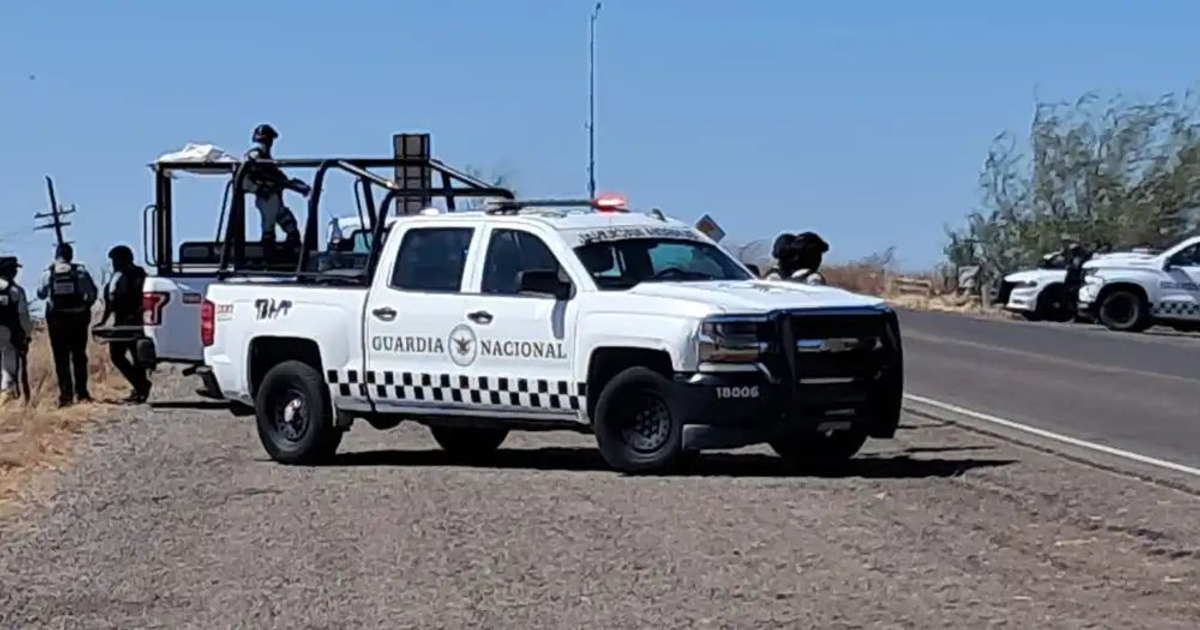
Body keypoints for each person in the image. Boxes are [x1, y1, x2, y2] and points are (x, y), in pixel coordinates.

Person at [37, 243, 98, 407]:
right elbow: (92, 293)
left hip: (57, 319)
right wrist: (85, 307)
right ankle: (82, 393)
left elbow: (41, 294)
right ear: (71, 256)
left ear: (56, 256)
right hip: (78, 318)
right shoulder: (80, 272)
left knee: (61, 357)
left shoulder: (48, 273)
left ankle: (66, 396)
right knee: (79, 355)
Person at [243, 124, 311, 260]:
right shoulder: (255, 157)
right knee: (269, 227)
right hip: (267, 198)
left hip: (275, 197)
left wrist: (297, 186)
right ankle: (269, 257)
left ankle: (287, 254)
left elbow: (281, 178)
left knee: (290, 225)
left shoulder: (267, 160)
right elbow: (245, 180)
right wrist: (260, 189)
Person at [97, 245, 152, 403]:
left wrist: (105, 320)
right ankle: (140, 386)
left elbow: (111, 301)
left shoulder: (128, 277)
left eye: (115, 260)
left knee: (123, 356)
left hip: (127, 323)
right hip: (130, 323)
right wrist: (103, 321)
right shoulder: (138, 276)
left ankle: (141, 387)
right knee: (128, 357)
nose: (114, 264)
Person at [0, 257, 32, 404]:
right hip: (8, 334)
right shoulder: (16, 291)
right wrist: (26, 334)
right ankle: (6, 400)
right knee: (8, 367)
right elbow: (23, 316)